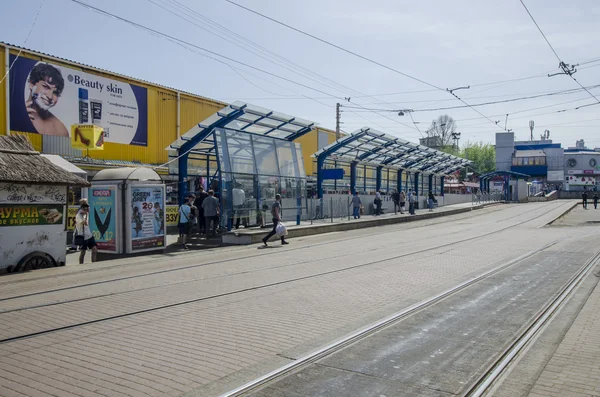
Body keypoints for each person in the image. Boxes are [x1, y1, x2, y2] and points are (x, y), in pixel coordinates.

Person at [26, 63, 69, 136]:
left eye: (55, 92)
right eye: (45, 87)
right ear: (31, 84)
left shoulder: (60, 130)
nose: (50, 96)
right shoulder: (12, 113)